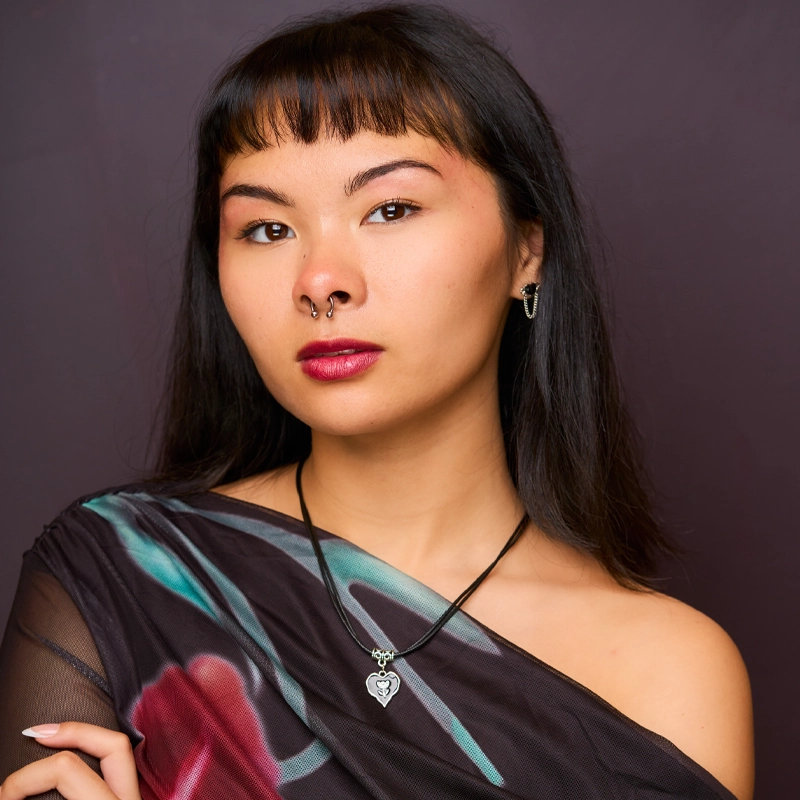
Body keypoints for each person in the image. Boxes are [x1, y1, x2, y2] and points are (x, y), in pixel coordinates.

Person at [0, 4, 754, 799]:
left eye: (390, 209)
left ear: (526, 252)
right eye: (264, 228)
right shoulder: (117, 574)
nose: (321, 279)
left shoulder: (671, 674)